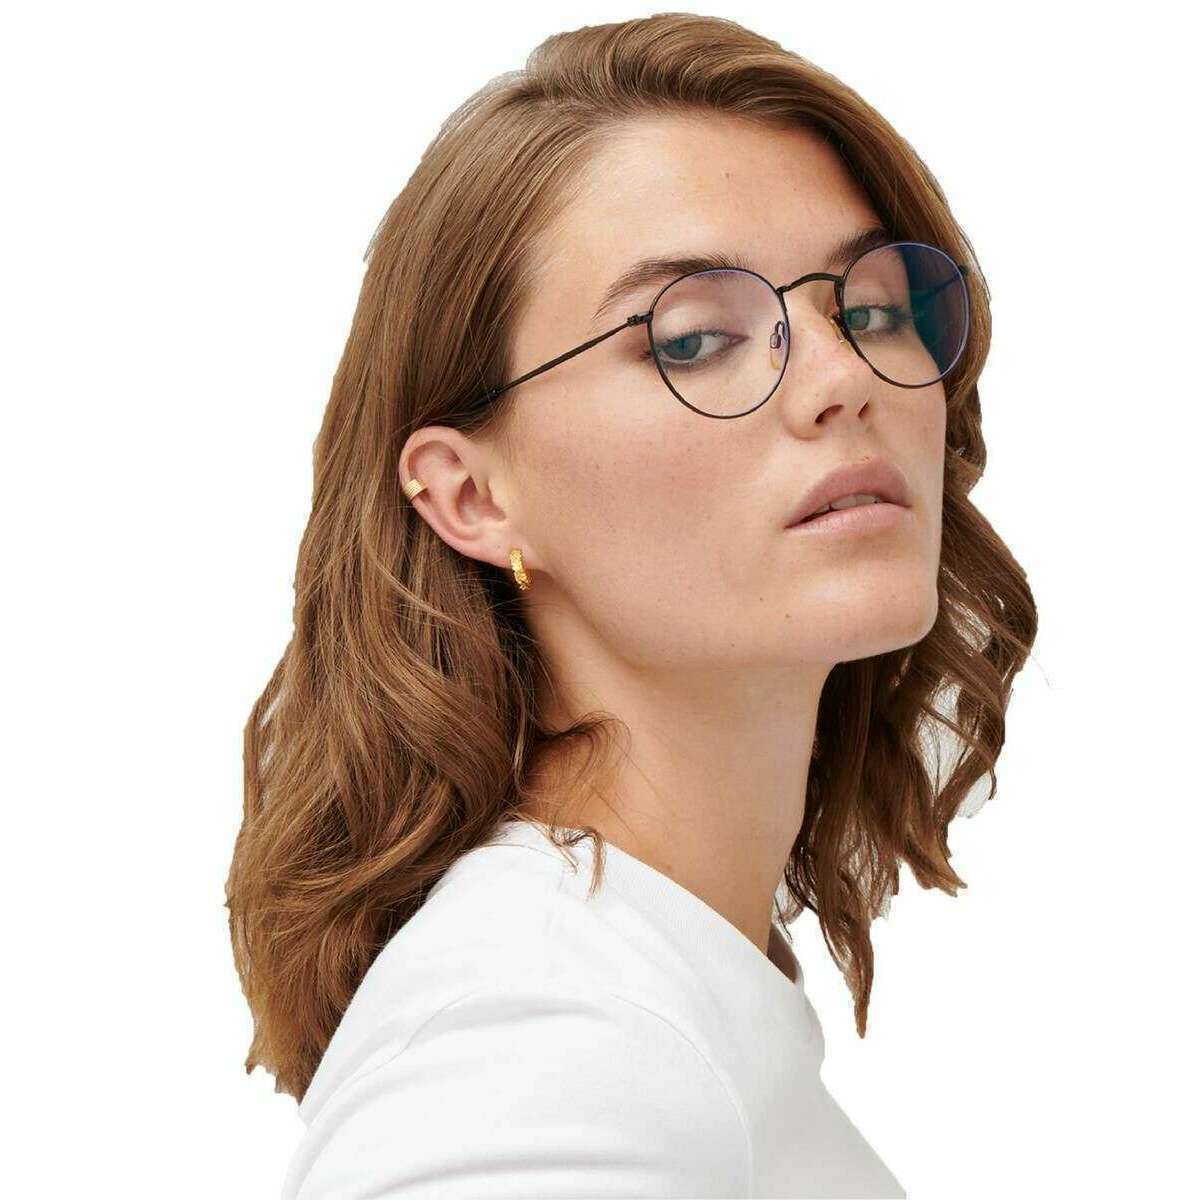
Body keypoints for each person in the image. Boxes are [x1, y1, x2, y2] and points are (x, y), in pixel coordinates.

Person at [226, 12, 1038, 1198]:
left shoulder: (649, 987)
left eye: (868, 308)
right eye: (694, 338)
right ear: (471, 496)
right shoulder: (538, 1046)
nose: (843, 377)